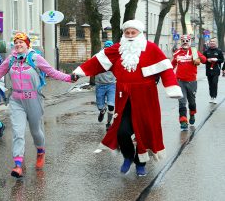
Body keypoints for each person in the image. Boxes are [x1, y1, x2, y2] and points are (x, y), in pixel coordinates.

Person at [73, 19, 182, 176]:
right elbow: (97, 61)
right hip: (123, 96)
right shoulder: (117, 49)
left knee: (143, 131)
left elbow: (165, 69)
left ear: (140, 33)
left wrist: (172, 88)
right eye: (127, 32)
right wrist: (79, 72)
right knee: (121, 132)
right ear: (123, 34)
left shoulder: (151, 48)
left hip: (146, 97)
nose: (130, 35)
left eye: (133, 32)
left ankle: (140, 163)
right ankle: (128, 157)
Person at [0, 32, 78, 178]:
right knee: (18, 133)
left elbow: (52, 72)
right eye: (16, 42)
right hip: (16, 100)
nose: (18, 44)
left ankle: (40, 151)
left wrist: (69, 78)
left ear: (27, 44)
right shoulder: (11, 59)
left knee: (36, 131)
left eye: (21, 42)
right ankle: (18, 165)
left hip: (33, 99)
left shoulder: (35, 58)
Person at [171, 34, 206, 130]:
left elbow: (204, 60)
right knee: (182, 102)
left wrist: (199, 58)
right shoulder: (177, 53)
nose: (185, 42)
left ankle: (192, 114)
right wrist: (168, 75)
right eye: (183, 41)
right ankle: (183, 121)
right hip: (180, 81)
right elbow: (172, 65)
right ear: (181, 42)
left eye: (187, 41)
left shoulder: (194, 51)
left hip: (192, 81)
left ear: (190, 42)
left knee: (192, 102)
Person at [95, 40, 116, 131]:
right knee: (100, 106)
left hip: (111, 85)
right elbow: (89, 66)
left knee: (111, 105)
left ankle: (108, 123)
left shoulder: (116, 58)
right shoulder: (97, 57)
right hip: (100, 85)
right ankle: (102, 111)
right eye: (106, 48)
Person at [203, 37, 224, 104]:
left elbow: (222, 60)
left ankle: (214, 97)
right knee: (210, 84)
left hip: (216, 70)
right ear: (209, 43)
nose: (212, 42)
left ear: (216, 43)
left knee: (214, 83)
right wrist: (207, 60)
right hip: (208, 70)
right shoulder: (206, 51)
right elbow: (202, 60)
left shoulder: (219, 51)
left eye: (213, 41)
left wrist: (217, 60)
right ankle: (211, 96)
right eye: (211, 41)